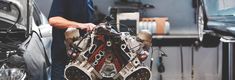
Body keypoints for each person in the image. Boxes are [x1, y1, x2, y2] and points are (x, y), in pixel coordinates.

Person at [48, 0, 95, 80]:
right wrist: (80, 25)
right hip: (63, 59)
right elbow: (53, 20)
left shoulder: (89, 1)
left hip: (81, 60)